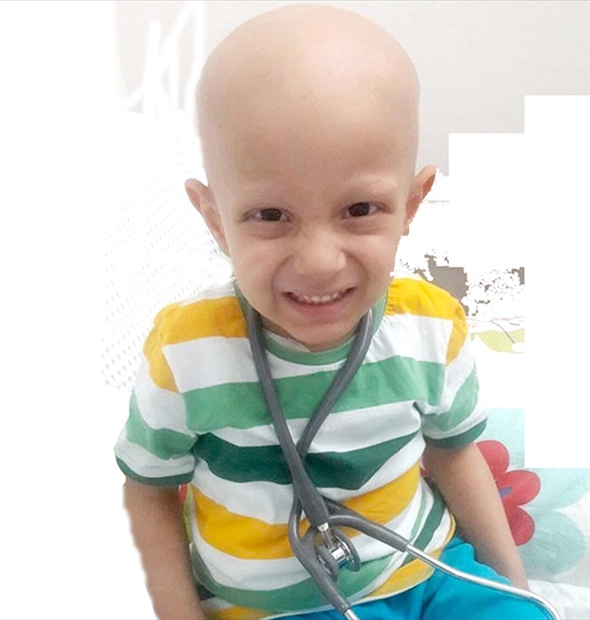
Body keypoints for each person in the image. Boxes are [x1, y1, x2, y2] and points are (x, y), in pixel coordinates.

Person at [115, 5, 551, 620]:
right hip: (280, 609)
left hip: (424, 569)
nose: (319, 262)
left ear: (412, 205)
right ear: (214, 220)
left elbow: (455, 455)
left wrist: (515, 588)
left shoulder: (431, 327)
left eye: (360, 209)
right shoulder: (188, 352)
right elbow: (149, 491)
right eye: (270, 216)